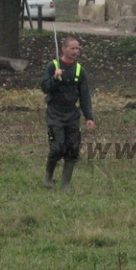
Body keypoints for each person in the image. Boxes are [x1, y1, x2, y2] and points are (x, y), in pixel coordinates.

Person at [40, 37, 95, 189]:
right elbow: (44, 87)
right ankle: (48, 178)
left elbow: (84, 95)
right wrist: (54, 78)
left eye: (78, 48)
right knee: (57, 147)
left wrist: (89, 117)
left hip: (72, 114)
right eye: (72, 48)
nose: (76, 51)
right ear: (63, 49)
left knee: (72, 150)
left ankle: (65, 184)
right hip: (55, 113)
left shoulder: (80, 70)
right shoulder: (53, 66)